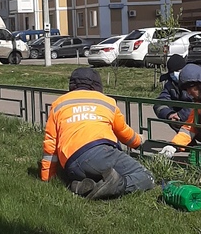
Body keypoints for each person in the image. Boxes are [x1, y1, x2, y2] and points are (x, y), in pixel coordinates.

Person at [40, 66, 154, 198]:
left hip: (71, 165)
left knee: (101, 173)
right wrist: (138, 141)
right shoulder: (107, 102)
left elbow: (50, 144)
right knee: (146, 176)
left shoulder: (59, 104)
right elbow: (123, 132)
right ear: (97, 84)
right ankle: (115, 186)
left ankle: (84, 185)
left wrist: (47, 177)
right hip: (100, 152)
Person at [153, 54, 189, 127]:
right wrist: (169, 115)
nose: (174, 74)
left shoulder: (193, 83)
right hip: (181, 124)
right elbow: (160, 102)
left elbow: (197, 105)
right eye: (172, 72)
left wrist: (180, 115)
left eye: (178, 71)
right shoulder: (170, 84)